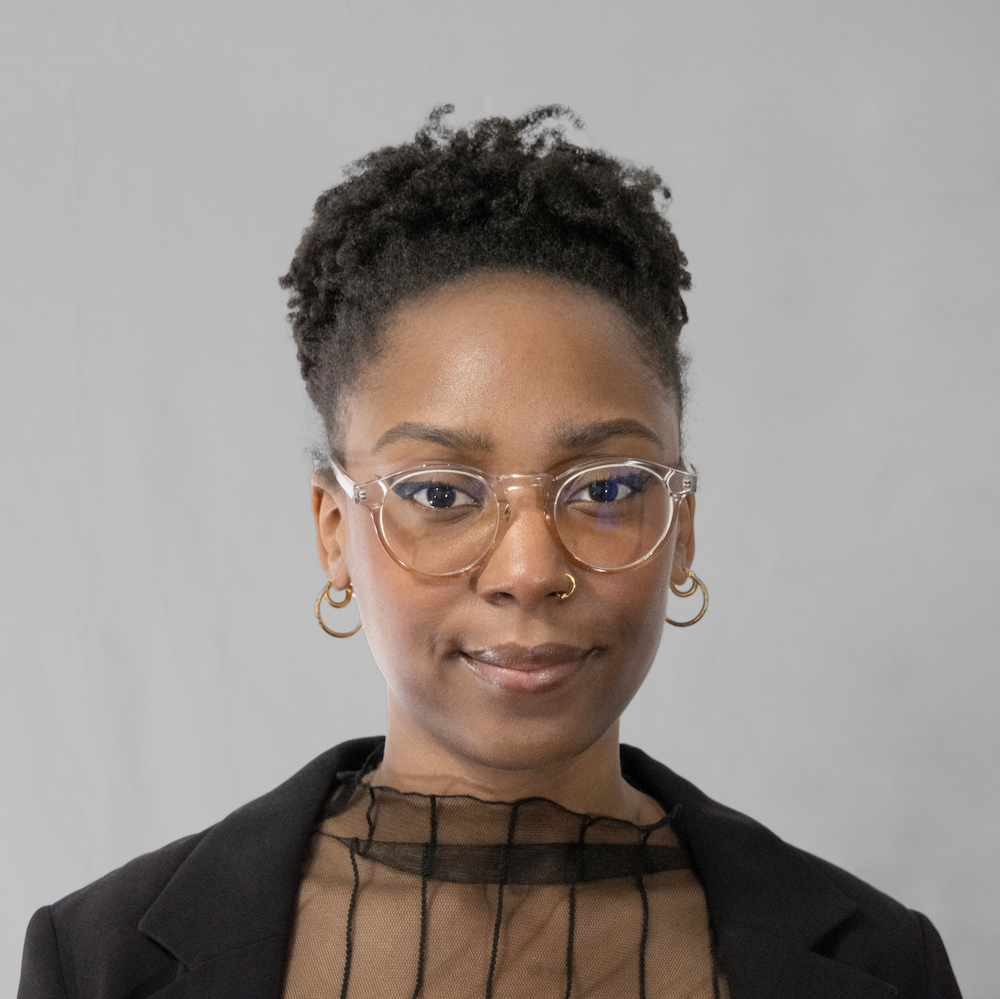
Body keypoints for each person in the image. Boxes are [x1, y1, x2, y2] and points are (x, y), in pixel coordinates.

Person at [18, 106, 962, 999]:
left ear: (682, 527)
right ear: (333, 532)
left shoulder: (882, 963)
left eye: (604, 489)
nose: (527, 571)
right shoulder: (100, 960)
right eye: (439, 493)